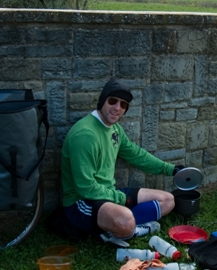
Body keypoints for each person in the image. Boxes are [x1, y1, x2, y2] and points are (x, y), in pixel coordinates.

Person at [61, 78, 183, 246]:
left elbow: (136, 155)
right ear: (103, 100)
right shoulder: (85, 135)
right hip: (81, 203)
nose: (117, 108)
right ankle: (129, 228)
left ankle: (121, 225)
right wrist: (122, 198)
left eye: (123, 104)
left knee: (168, 200)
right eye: (113, 101)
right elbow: (85, 188)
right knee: (125, 221)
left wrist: (172, 169)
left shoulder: (115, 129)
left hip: (108, 193)